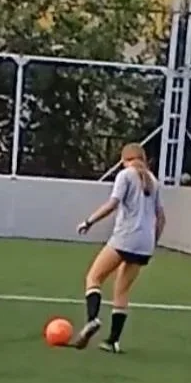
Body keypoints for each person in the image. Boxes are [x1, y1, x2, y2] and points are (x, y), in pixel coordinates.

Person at [74, 143, 165, 354]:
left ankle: (92, 319)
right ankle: (113, 341)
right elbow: (161, 218)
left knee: (94, 277)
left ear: (124, 160)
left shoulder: (125, 175)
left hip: (125, 238)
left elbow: (112, 204)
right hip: (144, 244)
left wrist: (89, 222)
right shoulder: (153, 181)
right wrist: (153, 242)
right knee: (122, 290)